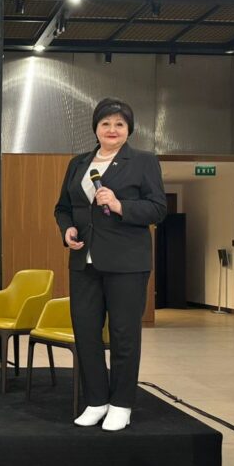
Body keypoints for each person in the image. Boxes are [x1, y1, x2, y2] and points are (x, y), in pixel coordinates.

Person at [54, 98, 167, 431]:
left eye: (119, 124)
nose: (112, 129)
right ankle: (96, 401)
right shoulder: (79, 163)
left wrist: (120, 205)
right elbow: (63, 208)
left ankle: (121, 404)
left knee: (123, 335)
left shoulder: (143, 161)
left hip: (127, 263)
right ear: (96, 128)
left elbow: (158, 209)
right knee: (86, 333)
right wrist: (67, 230)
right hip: (84, 262)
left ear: (129, 129)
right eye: (106, 123)